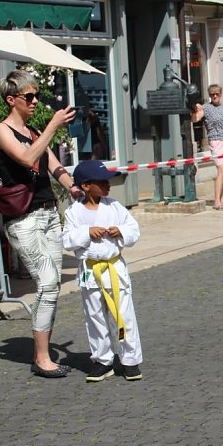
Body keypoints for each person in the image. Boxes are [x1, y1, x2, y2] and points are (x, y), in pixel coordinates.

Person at [0, 69, 81, 378]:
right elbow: (29, 159)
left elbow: (53, 165)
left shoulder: (33, 132)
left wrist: (73, 186)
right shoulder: (1, 130)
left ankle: (42, 352)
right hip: (23, 218)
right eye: (29, 97)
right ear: (11, 99)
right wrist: (52, 126)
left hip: (47, 214)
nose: (35, 101)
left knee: (53, 284)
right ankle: (41, 358)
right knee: (46, 282)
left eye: (37, 96)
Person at [62, 160, 143, 382]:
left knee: (123, 314)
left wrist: (121, 231)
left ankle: (130, 360)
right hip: (90, 269)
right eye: (102, 181)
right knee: (95, 316)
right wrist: (87, 232)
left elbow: (134, 230)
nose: (108, 185)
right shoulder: (74, 212)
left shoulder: (114, 206)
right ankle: (102, 359)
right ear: (86, 186)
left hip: (114, 267)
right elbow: (67, 240)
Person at [192, 85, 223, 211]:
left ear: (221, 94)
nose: (215, 96)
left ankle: (222, 198)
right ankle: (216, 201)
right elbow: (195, 119)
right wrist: (193, 109)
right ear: (210, 96)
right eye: (212, 95)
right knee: (221, 170)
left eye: (217, 94)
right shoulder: (206, 108)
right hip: (216, 140)